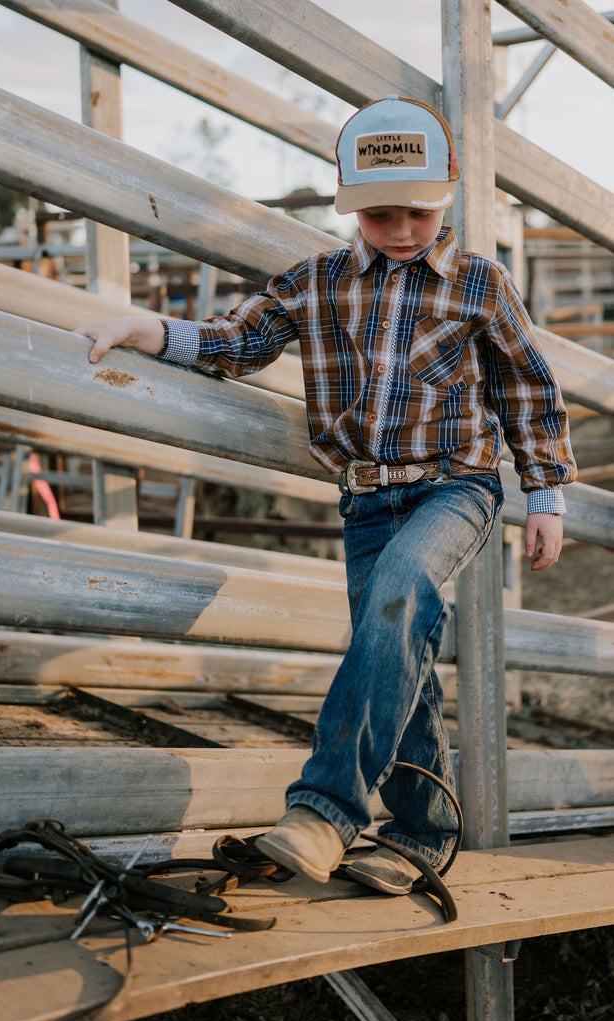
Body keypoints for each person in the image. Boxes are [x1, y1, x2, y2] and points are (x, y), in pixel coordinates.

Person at [76, 96, 576, 892]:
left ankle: (323, 812)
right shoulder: (315, 282)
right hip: (365, 499)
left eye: (416, 212)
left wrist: (545, 495)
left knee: (398, 599)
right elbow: (241, 341)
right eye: (380, 216)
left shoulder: (481, 285)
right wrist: (150, 331)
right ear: (351, 207)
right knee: (392, 646)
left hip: (456, 488)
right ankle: (419, 831)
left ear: (445, 194)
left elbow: (526, 391)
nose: (402, 230)